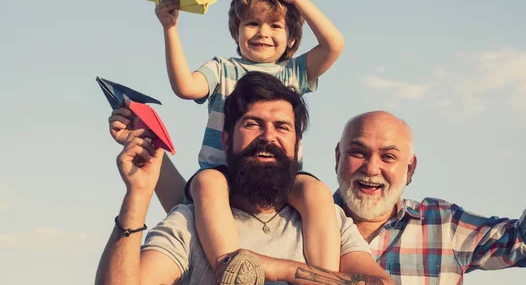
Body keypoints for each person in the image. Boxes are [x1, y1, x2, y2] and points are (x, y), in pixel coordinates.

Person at [96, 72, 393, 285]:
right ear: (226, 140)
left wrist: (278, 269)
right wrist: (138, 193)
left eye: (282, 127)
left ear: (297, 146)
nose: (268, 137)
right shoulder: (189, 222)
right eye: (253, 124)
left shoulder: (328, 219)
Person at [152, 0, 344, 271]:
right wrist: (170, 29)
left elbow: (333, 45)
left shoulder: (294, 73)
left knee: (317, 192)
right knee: (208, 182)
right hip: (225, 171)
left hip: (280, 174)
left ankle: (326, 276)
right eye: (252, 23)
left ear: (292, 37)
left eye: (275, 25)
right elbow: (185, 87)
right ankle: (231, 267)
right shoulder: (222, 69)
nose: (262, 32)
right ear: (237, 31)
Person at [333, 108, 526, 283]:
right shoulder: (299, 218)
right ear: (337, 157)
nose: (371, 168)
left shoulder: (442, 225)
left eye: (388, 157)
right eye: (358, 152)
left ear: (410, 169)